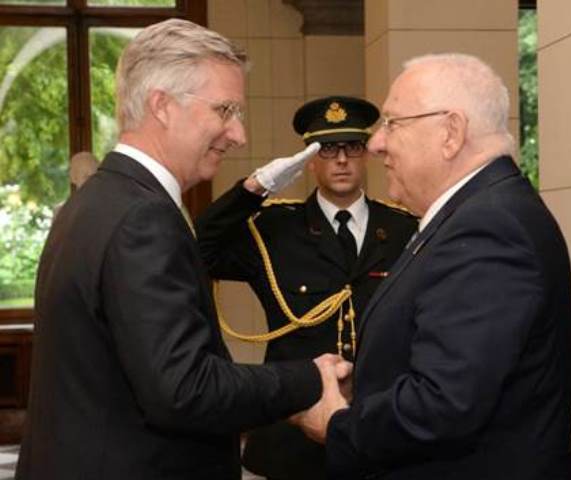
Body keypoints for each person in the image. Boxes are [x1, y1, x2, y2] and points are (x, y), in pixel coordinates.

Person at [16, 18, 350, 480]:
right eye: (225, 110)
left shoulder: (93, 202)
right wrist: (309, 379)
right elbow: (183, 388)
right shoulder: (143, 218)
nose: (239, 135)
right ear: (162, 106)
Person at [293, 53, 571, 479]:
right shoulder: (473, 213)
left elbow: (444, 404)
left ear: (451, 132)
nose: (376, 143)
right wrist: (367, 384)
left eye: (393, 123)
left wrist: (338, 423)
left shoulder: (489, 227)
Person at [195, 96, 418, 479]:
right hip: (292, 437)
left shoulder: (403, 228)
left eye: (352, 146)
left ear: (366, 153)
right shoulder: (275, 227)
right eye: (328, 149)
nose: (342, 159)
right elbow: (199, 248)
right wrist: (253, 189)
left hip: (379, 430)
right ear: (310, 159)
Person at [52, 151, 99, 219]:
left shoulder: (110, 208)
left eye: (93, 176)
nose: (90, 181)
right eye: (85, 176)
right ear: (73, 177)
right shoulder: (61, 213)